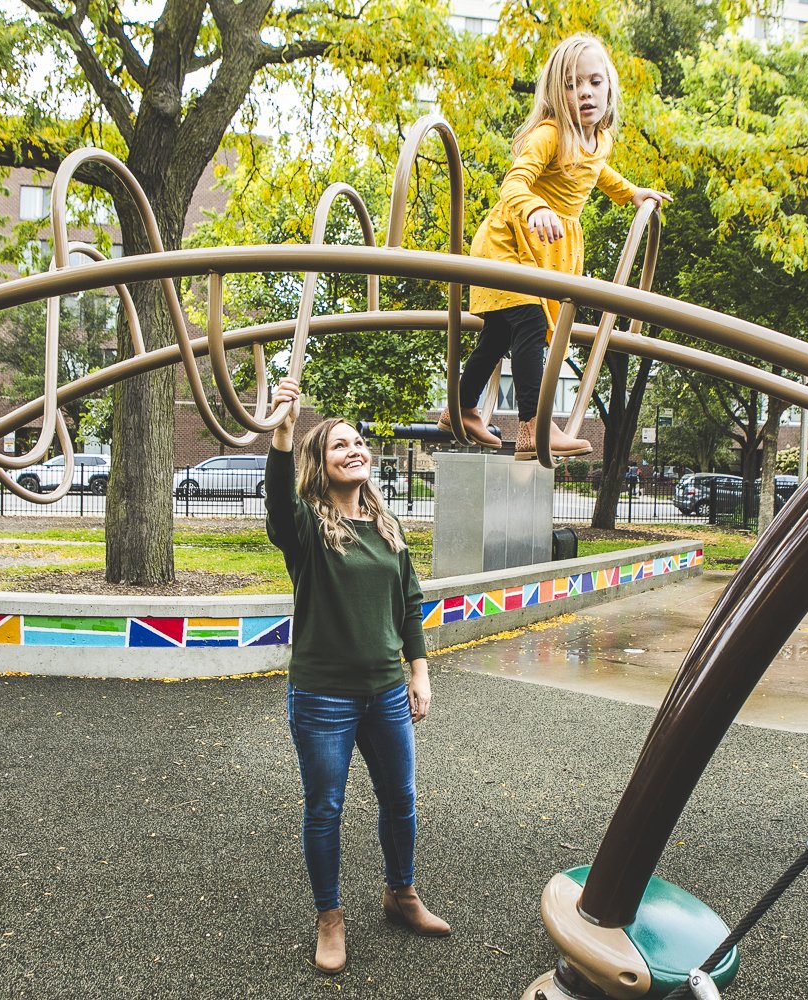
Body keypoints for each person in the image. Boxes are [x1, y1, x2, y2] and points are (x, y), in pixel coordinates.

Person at [265, 376, 449, 976]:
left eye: (358, 443)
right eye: (338, 445)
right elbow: (276, 507)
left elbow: (410, 604)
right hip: (323, 697)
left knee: (401, 800)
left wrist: (418, 674)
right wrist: (286, 432)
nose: (354, 450)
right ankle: (330, 918)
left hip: (386, 692)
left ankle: (401, 894)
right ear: (320, 464)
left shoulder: (386, 527)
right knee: (326, 807)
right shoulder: (309, 531)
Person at [438, 32, 671, 460]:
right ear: (554, 92)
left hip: (549, 249)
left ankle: (460, 409)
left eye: (593, 82)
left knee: (497, 336)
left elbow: (598, 173)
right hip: (509, 242)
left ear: (609, 88)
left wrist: (632, 193)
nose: (583, 92)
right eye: (570, 83)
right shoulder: (549, 134)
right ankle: (534, 426)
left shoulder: (600, 140)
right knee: (528, 323)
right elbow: (515, 182)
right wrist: (534, 209)